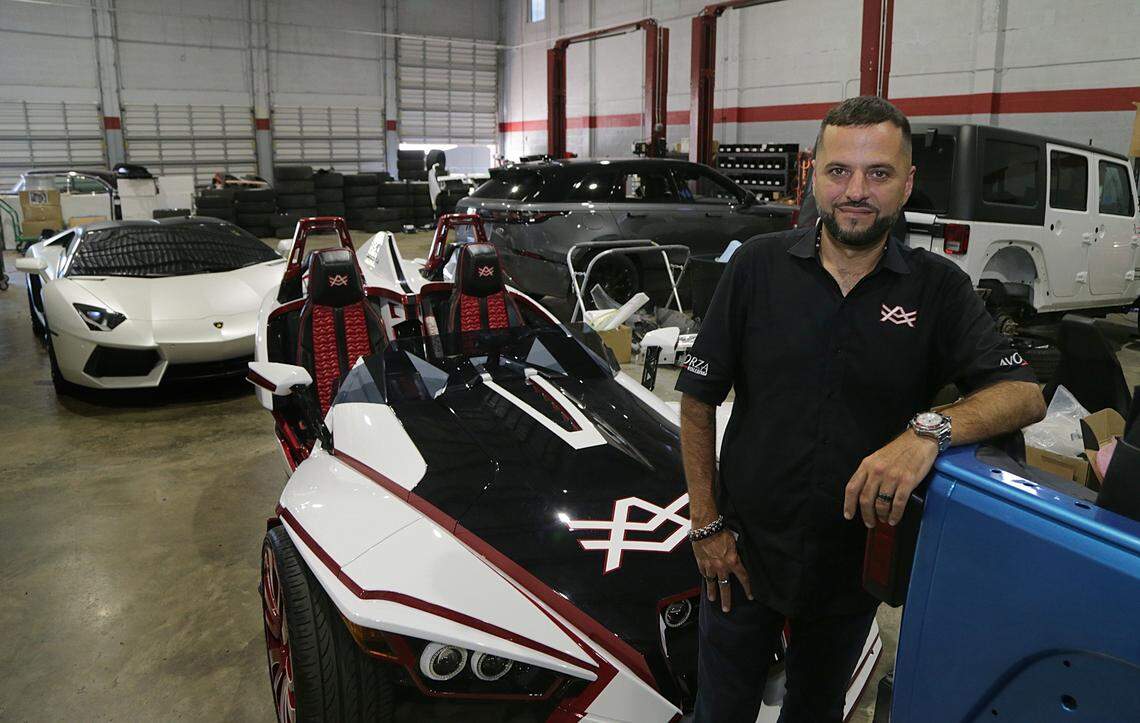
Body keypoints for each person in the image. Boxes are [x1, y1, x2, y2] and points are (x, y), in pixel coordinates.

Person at [676, 96, 1046, 723]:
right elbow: (696, 402)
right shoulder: (758, 267)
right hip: (742, 553)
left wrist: (928, 432)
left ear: (907, 183)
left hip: (851, 565)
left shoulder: (938, 288)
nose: (856, 190)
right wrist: (707, 526)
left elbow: (1025, 394)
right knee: (722, 708)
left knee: (819, 707)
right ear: (813, 177)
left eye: (878, 174)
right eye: (839, 171)